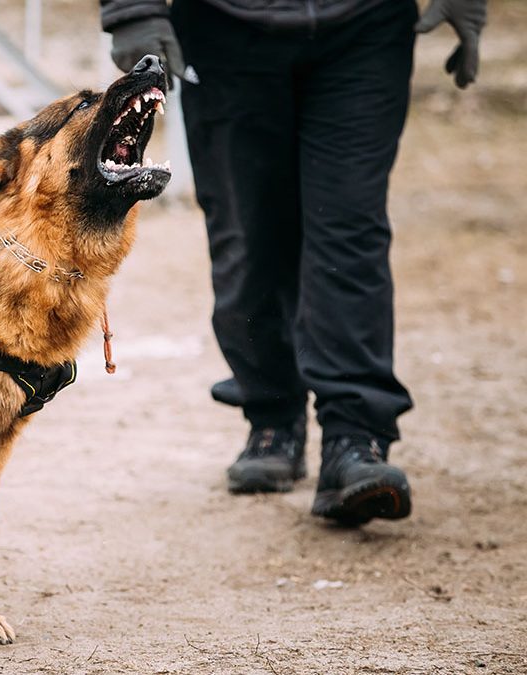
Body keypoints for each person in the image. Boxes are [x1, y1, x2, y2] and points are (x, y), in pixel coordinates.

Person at [100, 0, 487, 525]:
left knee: (349, 226)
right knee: (249, 230)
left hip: (366, 27)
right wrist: (132, 11)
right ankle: (273, 414)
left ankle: (354, 438)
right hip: (224, 29)